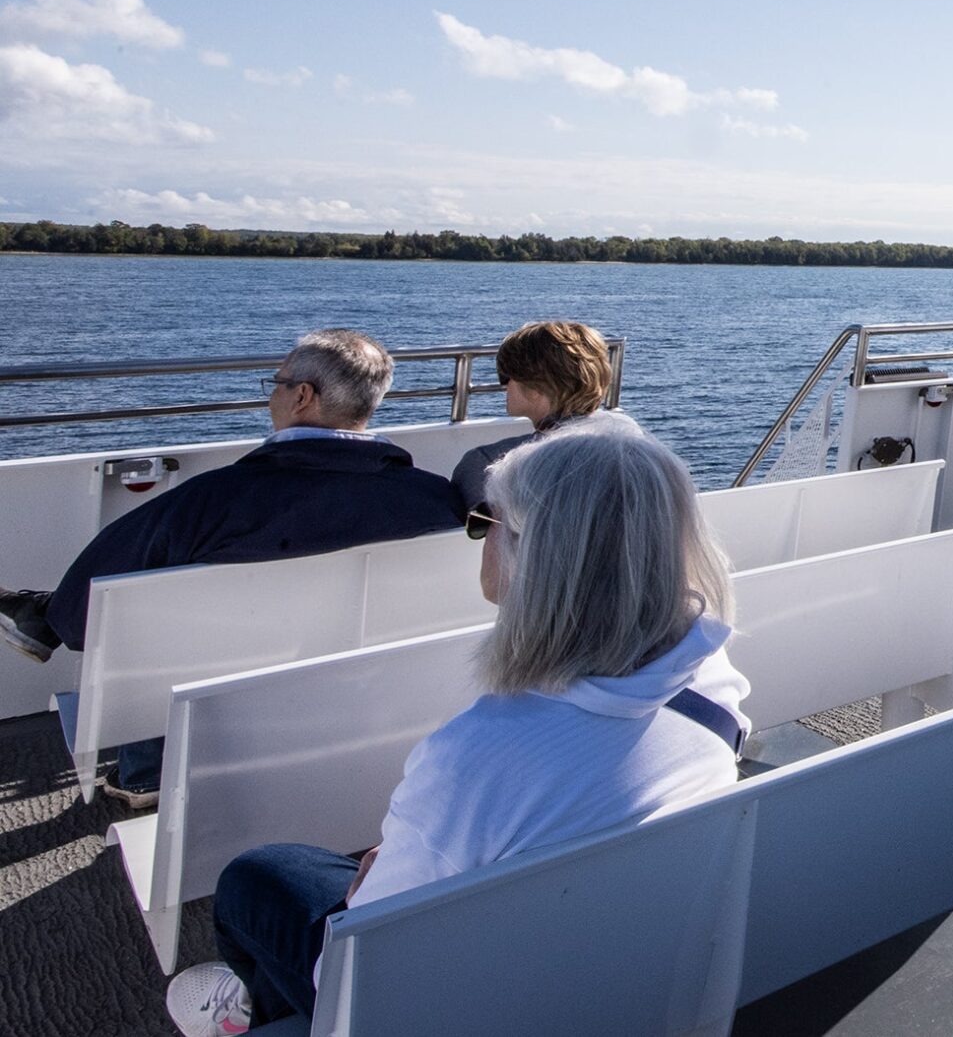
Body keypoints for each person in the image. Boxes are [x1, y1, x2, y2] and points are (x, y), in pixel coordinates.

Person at [166, 416, 748, 1036]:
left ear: (536, 555)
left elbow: (360, 970)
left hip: (475, 1000)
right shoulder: (711, 670)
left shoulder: (479, 756)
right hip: (625, 939)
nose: (481, 538)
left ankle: (261, 1013)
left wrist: (364, 900)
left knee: (259, 877)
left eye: (485, 523)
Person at [0, 330, 463, 800]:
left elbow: (89, 616)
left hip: (232, 695)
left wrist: (60, 618)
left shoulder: (208, 501)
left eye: (277, 384)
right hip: (363, 699)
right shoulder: (436, 498)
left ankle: (141, 763)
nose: (273, 396)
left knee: (151, 608)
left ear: (302, 396)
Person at [450, 320, 617, 508]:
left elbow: (486, 534)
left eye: (506, 377)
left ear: (535, 387)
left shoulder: (488, 462)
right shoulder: (633, 449)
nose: (504, 387)